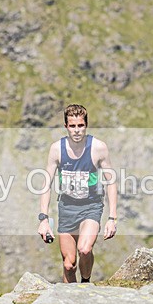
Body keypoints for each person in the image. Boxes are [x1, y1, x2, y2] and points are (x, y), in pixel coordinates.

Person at [37, 104, 117, 283]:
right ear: (66, 126)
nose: (77, 131)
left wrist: (112, 219)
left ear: (86, 125)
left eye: (80, 125)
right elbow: (46, 184)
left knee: (85, 249)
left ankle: (86, 283)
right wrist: (43, 219)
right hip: (67, 208)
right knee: (69, 265)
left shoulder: (98, 148)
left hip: (91, 206)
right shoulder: (57, 149)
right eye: (72, 126)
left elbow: (111, 181)